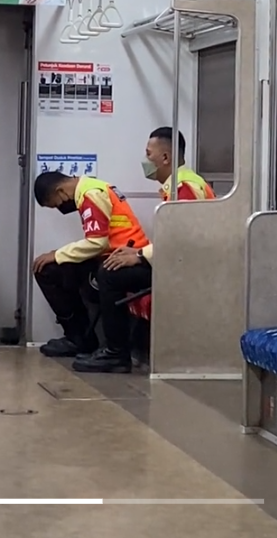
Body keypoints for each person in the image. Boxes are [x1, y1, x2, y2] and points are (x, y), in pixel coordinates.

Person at [72, 127, 216, 373]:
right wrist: (139, 255)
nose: (145, 160)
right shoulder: (181, 185)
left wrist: (139, 256)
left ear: (166, 158)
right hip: (177, 261)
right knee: (112, 267)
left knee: (109, 275)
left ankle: (116, 353)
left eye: (148, 154)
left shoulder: (184, 189)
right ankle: (121, 348)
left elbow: (185, 239)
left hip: (188, 268)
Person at [32, 170, 149, 358]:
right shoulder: (92, 189)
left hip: (127, 260)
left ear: (61, 192)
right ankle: (78, 338)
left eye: (55, 205)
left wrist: (57, 255)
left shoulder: (91, 194)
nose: (60, 208)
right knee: (51, 270)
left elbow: (97, 242)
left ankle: (84, 340)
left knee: (52, 269)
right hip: (112, 255)